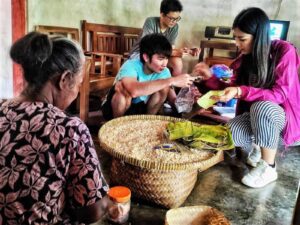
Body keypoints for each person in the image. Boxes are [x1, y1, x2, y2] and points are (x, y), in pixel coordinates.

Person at [0, 32, 109, 224]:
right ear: (64, 79)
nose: (76, 91)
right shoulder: (69, 129)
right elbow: (93, 211)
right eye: (79, 84)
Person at [194, 7, 300, 188]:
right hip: (255, 117)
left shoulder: (284, 51)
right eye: (235, 38)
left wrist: (241, 91)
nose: (237, 44)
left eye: (241, 39)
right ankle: (259, 146)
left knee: (263, 107)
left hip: (282, 119)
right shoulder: (246, 58)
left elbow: (280, 94)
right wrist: (207, 79)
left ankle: (269, 167)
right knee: (228, 133)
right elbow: (230, 87)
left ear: (259, 36)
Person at [101, 33, 196, 120]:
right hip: (113, 110)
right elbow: (134, 91)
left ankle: (146, 122)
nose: (165, 63)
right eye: (160, 59)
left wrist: (191, 101)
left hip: (139, 109)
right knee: (123, 88)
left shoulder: (164, 71)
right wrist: (171, 80)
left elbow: (173, 101)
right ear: (146, 57)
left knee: (164, 88)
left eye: (167, 58)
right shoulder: (130, 65)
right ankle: (116, 127)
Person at [130, 0, 200, 77]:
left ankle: (174, 86)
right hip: (141, 53)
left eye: (177, 19)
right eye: (172, 18)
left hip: (158, 56)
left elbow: (170, 49)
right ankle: (157, 85)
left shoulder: (174, 27)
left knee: (177, 62)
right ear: (162, 14)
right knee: (155, 61)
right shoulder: (150, 22)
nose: (174, 22)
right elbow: (148, 48)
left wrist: (188, 51)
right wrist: (175, 52)